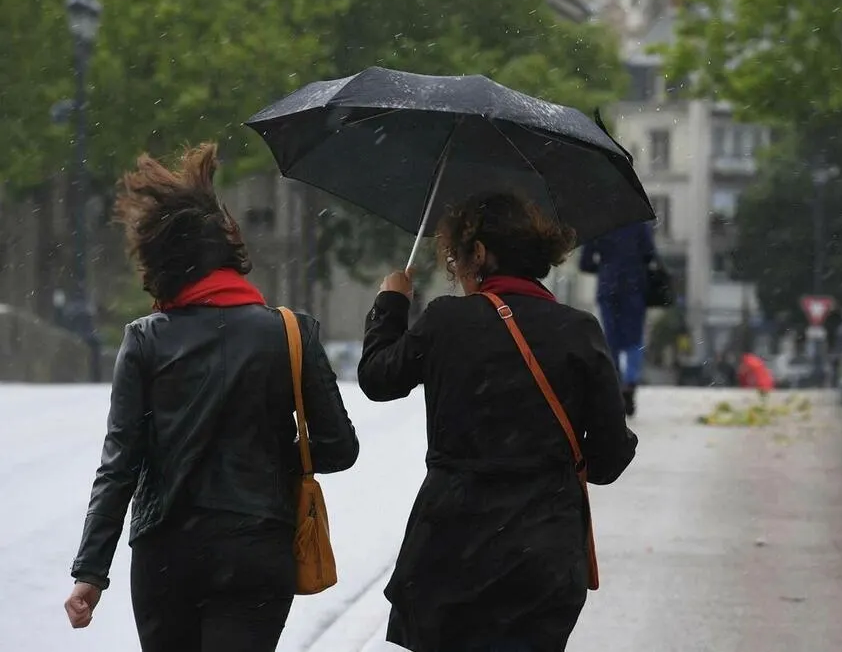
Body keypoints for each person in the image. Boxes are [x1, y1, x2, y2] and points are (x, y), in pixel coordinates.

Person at [64, 144, 359, 652]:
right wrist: (269, 459)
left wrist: (91, 570)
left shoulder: (145, 340)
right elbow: (339, 447)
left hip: (166, 555)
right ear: (228, 251)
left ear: (161, 261)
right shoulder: (291, 332)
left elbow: (120, 465)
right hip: (256, 547)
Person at [358, 192, 638, 652]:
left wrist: (391, 302)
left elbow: (377, 379)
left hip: (451, 550)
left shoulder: (447, 320)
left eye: (456, 258)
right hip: (542, 558)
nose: (457, 271)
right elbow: (609, 461)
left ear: (480, 253)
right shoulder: (578, 329)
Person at [578, 221, 656, 416]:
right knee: (634, 337)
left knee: (611, 338)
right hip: (634, 287)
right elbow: (649, 253)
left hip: (608, 287)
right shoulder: (638, 223)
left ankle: (616, 381)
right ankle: (630, 382)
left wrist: (605, 266)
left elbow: (585, 263)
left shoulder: (599, 225)